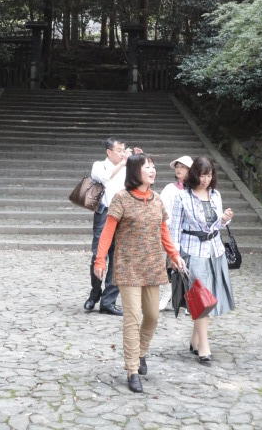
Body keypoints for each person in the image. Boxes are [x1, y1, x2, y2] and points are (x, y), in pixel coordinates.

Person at [94, 153, 186, 393]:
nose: (152, 170)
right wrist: (100, 259)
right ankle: (132, 369)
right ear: (135, 171)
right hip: (128, 266)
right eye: (147, 167)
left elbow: (164, 231)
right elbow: (107, 232)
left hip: (153, 266)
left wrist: (174, 255)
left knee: (153, 316)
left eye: (153, 166)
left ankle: (141, 351)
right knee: (132, 317)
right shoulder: (121, 198)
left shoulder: (157, 200)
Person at [170, 156, 235, 365]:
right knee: (200, 298)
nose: (205, 179)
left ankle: (195, 339)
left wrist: (224, 219)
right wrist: (174, 255)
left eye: (209, 175)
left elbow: (216, 225)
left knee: (211, 297)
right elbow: (174, 229)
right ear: (194, 174)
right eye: (202, 175)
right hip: (192, 251)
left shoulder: (215, 194)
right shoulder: (182, 197)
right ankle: (204, 347)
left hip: (215, 251)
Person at [83, 137, 142, 316]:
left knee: (119, 258)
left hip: (124, 215)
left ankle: (108, 301)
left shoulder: (128, 166)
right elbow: (105, 178)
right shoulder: (99, 165)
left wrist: (137, 160)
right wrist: (124, 163)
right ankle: (95, 292)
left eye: (124, 150)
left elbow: (140, 180)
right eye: (119, 150)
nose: (122, 153)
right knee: (97, 255)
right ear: (109, 152)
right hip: (104, 213)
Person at [158, 155, 194, 311]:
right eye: (178, 166)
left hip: (191, 234)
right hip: (172, 231)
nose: (179, 169)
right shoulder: (170, 189)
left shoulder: (195, 190)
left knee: (190, 266)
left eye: (183, 167)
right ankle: (167, 293)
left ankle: (188, 298)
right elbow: (162, 210)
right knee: (169, 264)